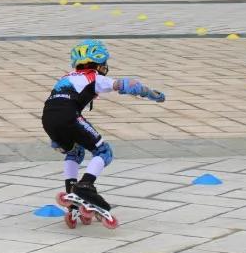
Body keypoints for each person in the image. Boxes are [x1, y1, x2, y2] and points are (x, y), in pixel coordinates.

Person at [41, 39, 166, 224]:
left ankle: (71, 191)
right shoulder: (94, 77)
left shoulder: (66, 77)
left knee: (75, 152)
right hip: (69, 116)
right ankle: (85, 185)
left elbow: (55, 105)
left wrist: (56, 137)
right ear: (99, 63)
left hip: (48, 119)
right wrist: (151, 94)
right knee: (104, 151)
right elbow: (127, 84)